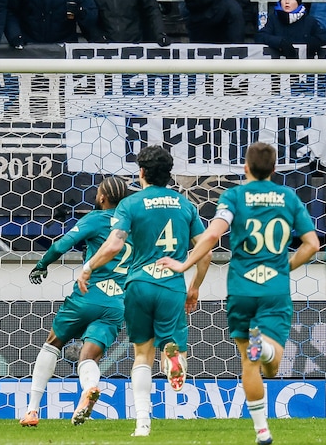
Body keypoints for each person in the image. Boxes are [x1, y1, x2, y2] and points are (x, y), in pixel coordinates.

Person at [157, 142, 319, 445]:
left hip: (242, 289)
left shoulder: (234, 196)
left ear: (245, 168)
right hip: (274, 288)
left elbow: (214, 233)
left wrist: (184, 264)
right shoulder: (288, 198)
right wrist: (286, 267)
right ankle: (267, 348)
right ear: (273, 169)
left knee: (250, 363)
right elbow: (312, 245)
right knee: (271, 364)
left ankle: (262, 431)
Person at [76, 144, 207, 439]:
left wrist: (89, 267)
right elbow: (206, 251)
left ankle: (142, 424)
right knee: (172, 349)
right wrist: (195, 286)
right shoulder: (186, 206)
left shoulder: (130, 204)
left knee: (141, 355)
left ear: (142, 173)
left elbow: (114, 245)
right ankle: (173, 359)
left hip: (138, 284)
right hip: (172, 285)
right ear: (169, 175)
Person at [19, 176, 131, 428]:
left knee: (53, 343)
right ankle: (90, 387)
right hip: (116, 303)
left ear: (102, 198)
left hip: (86, 295)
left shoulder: (95, 219)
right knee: (88, 357)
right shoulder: (132, 225)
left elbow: (62, 245)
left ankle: (32, 410)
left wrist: (42, 264)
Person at [255, 0, 326, 57]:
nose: (287, 2)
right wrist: (280, 42)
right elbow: (261, 36)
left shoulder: (309, 21)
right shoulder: (273, 19)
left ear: (298, 2)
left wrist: (316, 41)